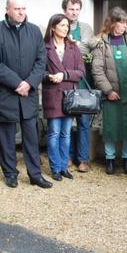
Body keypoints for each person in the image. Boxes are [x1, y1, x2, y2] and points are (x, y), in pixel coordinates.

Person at [0, 0, 52, 189]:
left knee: (31, 136)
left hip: (28, 93)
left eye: (23, 8)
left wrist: (29, 83)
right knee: (6, 137)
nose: (21, 12)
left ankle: (35, 175)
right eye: (17, 9)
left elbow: (41, 60)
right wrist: (16, 83)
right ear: (7, 10)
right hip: (5, 93)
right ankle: (10, 174)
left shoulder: (34, 32)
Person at [90, 7, 127, 175]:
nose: (124, 26)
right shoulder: (102, 42)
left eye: (126, 22)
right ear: (112, 23)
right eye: (121, 22)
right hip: (112, 94)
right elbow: (97, 70)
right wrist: (108, 91)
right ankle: (110, 159)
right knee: (110, 128)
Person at [42, 13, 84, 181]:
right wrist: (49, 77)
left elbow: (81, 72)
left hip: (68, 96)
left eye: (67, 26)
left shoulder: (73, 47)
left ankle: (63, 166)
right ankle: (55, 168)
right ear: (53, 27)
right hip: (52, 94)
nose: (66, 29)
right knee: (53, 133)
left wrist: (64, 74)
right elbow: (38, 70)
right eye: (62, 25)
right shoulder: (44, 47)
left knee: (66, 134)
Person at [62, 0, 95, 173]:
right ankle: (66, 156)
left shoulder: (85, 28)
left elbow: (87, 48)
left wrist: (72, 44)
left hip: (82, 82)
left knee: (83, 121)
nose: (74, 12)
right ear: (64, 10)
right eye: (70, 9)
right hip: (65, 81)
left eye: (77, 9)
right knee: (66, 121)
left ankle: (83, 159)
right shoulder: (58, 24)